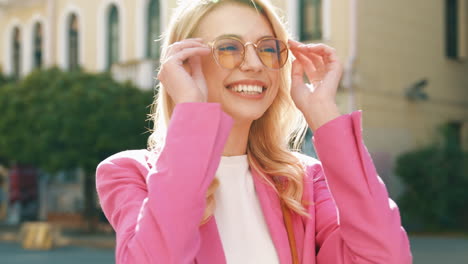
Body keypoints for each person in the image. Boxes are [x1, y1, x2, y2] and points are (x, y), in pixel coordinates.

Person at [96, 0, 413, 263]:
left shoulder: (305, 181)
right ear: (185, 63)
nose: (254, 63)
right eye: (229, 47)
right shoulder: (128, 173)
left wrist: (324, 114)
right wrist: (191, 109)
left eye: (268, 48)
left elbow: (385, 257)